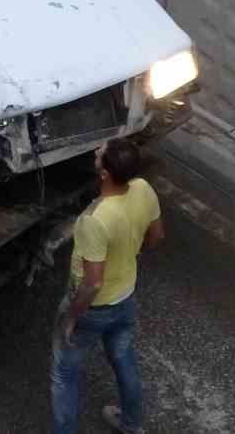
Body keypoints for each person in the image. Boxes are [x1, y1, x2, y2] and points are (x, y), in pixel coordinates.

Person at [49, 138, 164, 434]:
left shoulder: (96, 221)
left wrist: (71, 319)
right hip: (125, 297)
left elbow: (93, 282)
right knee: (123, 357)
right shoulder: (143, 189)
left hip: (93, 308)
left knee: (64, 373)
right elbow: (156, 236)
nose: (97, 150)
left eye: (101, 153)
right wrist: (130, 252)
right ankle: (132, 424)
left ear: (105, 174)